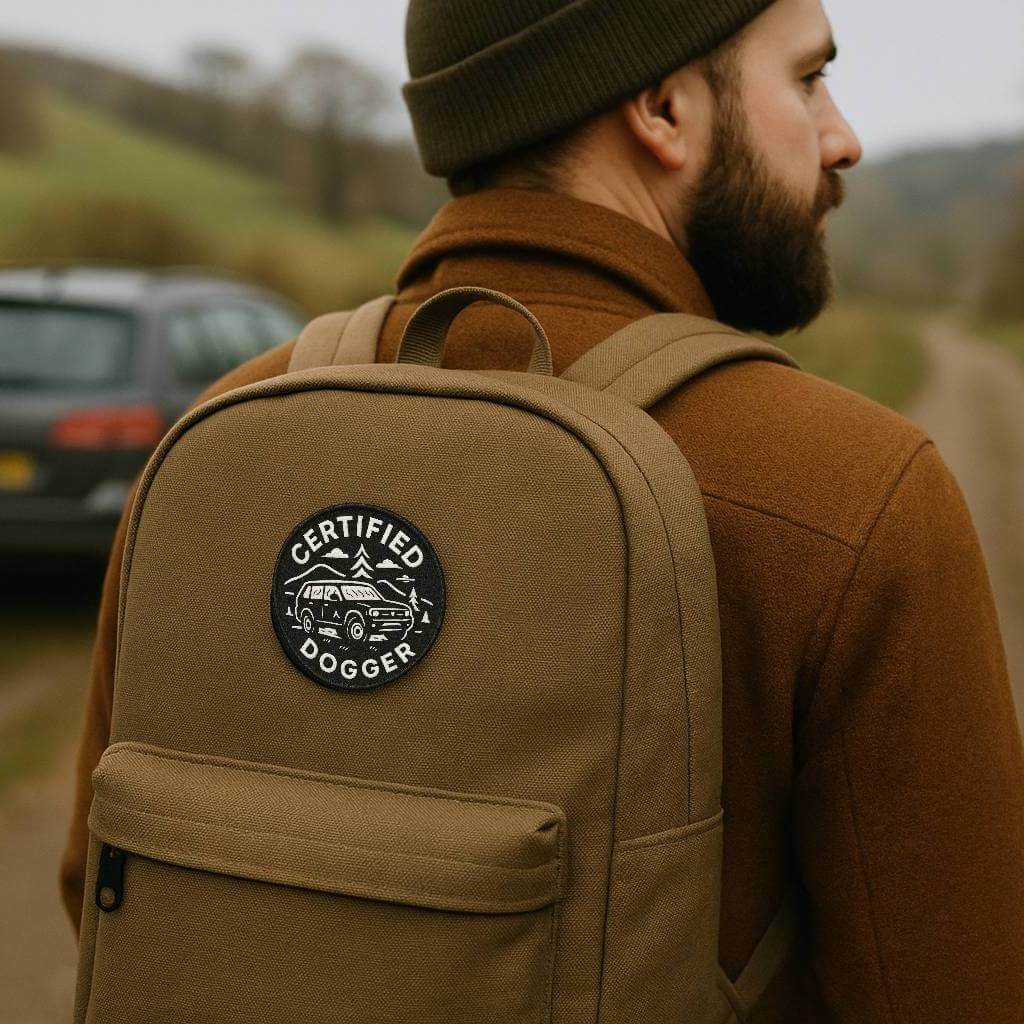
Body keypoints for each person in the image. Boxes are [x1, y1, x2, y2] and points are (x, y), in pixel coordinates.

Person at [61, 0, 1024, 1019]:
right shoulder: (856, 489)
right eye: (805, 78)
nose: (842, 137)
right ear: (662, 108)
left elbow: (104, 890)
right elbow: (959, 984)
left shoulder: (224, 429)